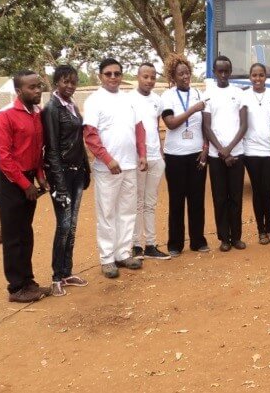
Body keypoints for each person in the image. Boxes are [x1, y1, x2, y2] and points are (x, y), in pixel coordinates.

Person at [83, 58, 147, 278]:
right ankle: (108, 258)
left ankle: (123, 253)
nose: (113, 77)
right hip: (107, 168)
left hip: (129, 166)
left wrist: (142, 154)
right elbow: (90, 135)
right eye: (108, 73)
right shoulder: (94, 101)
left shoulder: (128, 100)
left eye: (117, 73)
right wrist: (107, 159)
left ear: (121, 75)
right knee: (107, 213)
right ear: (100, 76)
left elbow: (139, 129)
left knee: (127, 211)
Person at [0, 70, 50, 302]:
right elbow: (3, 157)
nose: (37, 90)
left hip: (28, 179)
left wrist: (40, 176)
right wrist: (26, 185)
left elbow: (37, 151)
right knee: (13, 235)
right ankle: (16, 288)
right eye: (31, 87)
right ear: (18, 91)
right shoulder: (5, 115)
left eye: (39, 86)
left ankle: (28, 282)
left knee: (26, 232)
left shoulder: (37, 113)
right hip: (9, 181)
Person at [41, 65, 90, 297]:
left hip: (77, 173)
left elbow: (78, 141)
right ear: (56, 83)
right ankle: (56, 278)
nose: (69, 86)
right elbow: (51, 149)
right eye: (65, 81)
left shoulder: (71, 106)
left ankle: (67, 272)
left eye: (73, 82)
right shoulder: (51, 108)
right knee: (63, 226)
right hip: (61, 175)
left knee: (72, 226)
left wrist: (85, 169)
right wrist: (59, 184)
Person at [161, 54, 210, 256]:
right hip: (175, 156)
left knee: (197, 199)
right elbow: (171, 123)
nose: (185, 76)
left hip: (197, 154)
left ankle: (198, 241)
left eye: (187, 72)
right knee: (177, 200)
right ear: (173, 77)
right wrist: (192, 110)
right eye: (180, 74)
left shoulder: (198, 93)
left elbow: (205, 124)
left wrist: (206, 148)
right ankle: (175, 244)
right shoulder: (167, 96)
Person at [203, 55, 248, 252]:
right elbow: (206, 126)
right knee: (220, 198)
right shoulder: (208, 94)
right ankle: (224, 238)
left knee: (236, 198)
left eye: (226, 71)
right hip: (216, 156)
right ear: (214, 72)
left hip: (237, 154)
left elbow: (244, 125)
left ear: (230, 72)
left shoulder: (239, 93)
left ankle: (236, 237)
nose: (223, 74)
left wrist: (229, 150)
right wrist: (222, 151)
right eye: (219, 71)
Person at [129, 63, 170, 260]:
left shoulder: (157, 100)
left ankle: (151, 245)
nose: (149, 80)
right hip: (138, 158)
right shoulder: (129, 99)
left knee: (150, 203)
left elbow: (154, 125)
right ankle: (136, 246)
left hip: (155, 157)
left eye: (153, 77)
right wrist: (138, 154)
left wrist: (160, 151)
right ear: (138, 77)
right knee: (137, 203)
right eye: (145, 76)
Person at [242, 63, 270, 245]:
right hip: (251, 151)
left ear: (266, 77)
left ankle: (269, 229)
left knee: (268, 190)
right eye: (254, 75)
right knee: (257, 191)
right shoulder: (243, 96)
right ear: (250, 77)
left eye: (261, 75)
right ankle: (261, 231)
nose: (257, 78)